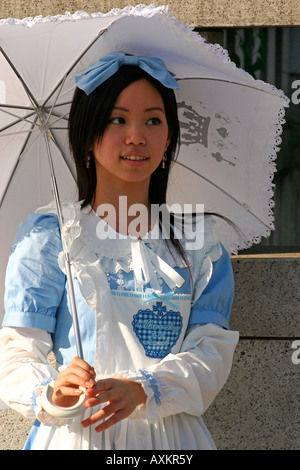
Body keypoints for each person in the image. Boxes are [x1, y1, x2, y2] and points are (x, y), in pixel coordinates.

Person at [0, 53, 239, 450]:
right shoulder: (52, 236)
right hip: (76, 435)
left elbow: (211, 353)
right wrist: (53, 390)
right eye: (117, 119)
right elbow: (16, 349)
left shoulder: (200, 242)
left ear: (169, 135)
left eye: (152, 119)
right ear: (88, 135)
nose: (136, 136)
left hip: (171, 441)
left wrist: (145, 390)